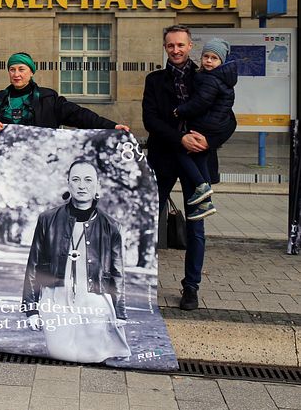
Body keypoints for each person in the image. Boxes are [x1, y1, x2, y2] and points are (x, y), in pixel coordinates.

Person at [21, 159, 130, 363]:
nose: (82, 185)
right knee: (60, 356)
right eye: (76, 179)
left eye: (88, 180)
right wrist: (31, 309)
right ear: (68, 183)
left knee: (94, 357)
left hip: (94, 299)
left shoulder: (111, 226)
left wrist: (120, 312)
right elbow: (33, 265)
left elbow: (117, 273)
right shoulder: (47, 219)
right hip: (55, 299)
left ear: (98, 184)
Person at [142, 24, 210, 311]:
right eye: (171, 45)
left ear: (190, 46)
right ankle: (139, 281)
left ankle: (191, 286)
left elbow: (225, 118)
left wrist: (208, 139)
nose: (176, 50)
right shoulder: (155, 80)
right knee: (145, 221)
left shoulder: (206, 78)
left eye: (181, 45)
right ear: (165, 47)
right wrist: (180, 138)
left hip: (198, 159)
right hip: (164, 157)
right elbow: (151, 120)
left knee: (196, 226)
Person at [0, 52, 128, 140]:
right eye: (12, 69)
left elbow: (78, 114)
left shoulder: (47, 98)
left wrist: (112, 126)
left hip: (41, 165)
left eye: (21, 69)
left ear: (31, 72)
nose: (16, 74)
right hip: (5, 167)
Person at [173, 38, 237, 221]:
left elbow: (201, 102)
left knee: (182, 150)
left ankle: (202, 186)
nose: (209, 61)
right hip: (212, 124)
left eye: (214, 58)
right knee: (199, 156)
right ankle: (206, 202)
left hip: (206, 125)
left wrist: (180, 111)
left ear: (222, 62)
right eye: (206, 57)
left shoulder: (211, 79)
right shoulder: (220, 78)